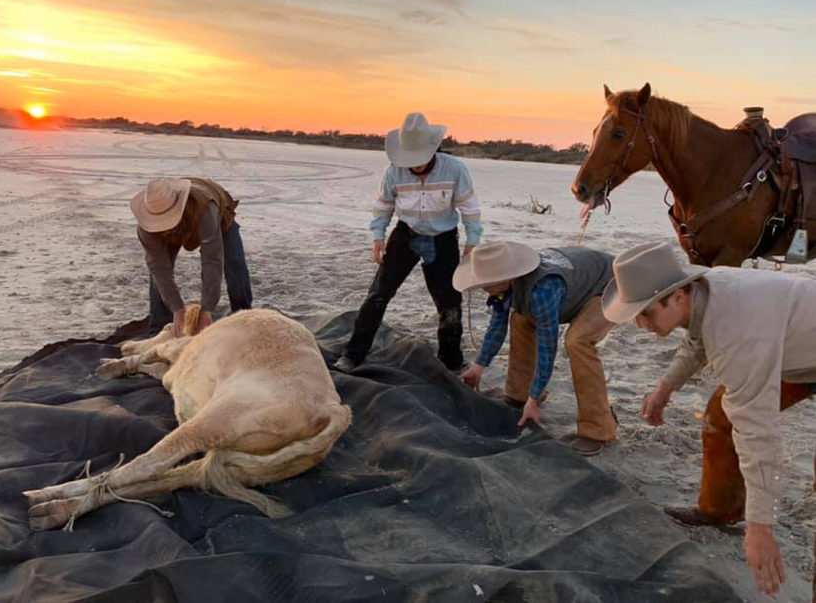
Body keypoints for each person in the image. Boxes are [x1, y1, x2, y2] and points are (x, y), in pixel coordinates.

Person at [601, 241, 816, 598]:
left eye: (646, 313)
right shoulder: (705, 291)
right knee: (720, 414)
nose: (640, 325)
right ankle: (720, 509)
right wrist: (665, 388)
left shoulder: (738, 331)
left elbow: (759, 431)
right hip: (794, 350)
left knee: (740, 415)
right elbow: (696, 341)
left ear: (677, 297)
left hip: (788, 348)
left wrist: (761, 527)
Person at [335, 112, 482, 373]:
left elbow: (469, 207)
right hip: (405, 234)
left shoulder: (455, 168)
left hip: (443, 238)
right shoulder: (393, 172)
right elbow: (383, 206)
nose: (414, 165)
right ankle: (353, 353)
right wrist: (378, 237)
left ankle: (451, 361)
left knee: (449, 302)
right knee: (378, 294)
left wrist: (473, 241)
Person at [455, 242, 618, 456]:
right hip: (580, 276)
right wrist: (478, 368)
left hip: (609, 285)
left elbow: (547, 345)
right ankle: (517, 395)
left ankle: (599, 430)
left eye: (486, 283)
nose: (482, 287)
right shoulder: (506, 282)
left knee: (577, 341)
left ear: (507, 276)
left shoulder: (543, 288)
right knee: (520, 319)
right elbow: (497, 324)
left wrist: (535, 398)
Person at [131, 177, 253, 336]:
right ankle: (159, 327)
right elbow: (159, 269)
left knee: (235, 263)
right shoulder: (147, 228)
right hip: (176, 227)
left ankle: (244, 317)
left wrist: (207, 309)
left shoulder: (206, 210)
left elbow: (211, 260)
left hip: (219, 217)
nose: (163, 224)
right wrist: (177, 308)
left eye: (167, 220)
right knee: (158, 274)